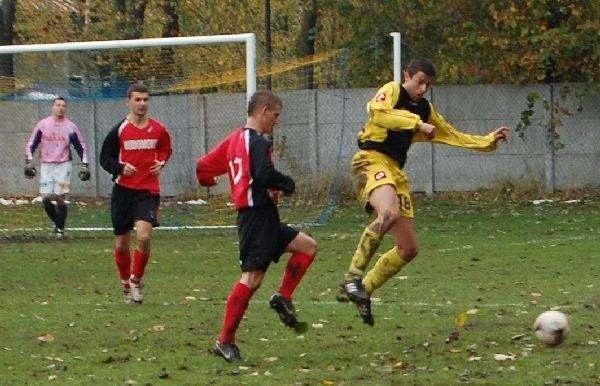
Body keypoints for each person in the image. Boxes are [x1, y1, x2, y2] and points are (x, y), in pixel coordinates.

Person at [340, 58, 510, 325]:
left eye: (427, 85)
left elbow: (452, 134)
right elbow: (377, 112)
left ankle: (363, 290)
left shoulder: (425, 108)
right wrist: (417, 124)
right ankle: (351, 277)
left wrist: (488, 140)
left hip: (395, 171)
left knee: (408, 249)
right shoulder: (393, 90)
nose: (422, 89)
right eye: (419, 82)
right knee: (388, 212)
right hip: (370, 159)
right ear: (407, 75)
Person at [196, 90, 318, 362]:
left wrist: (209, 182)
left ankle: (283, 297)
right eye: (275, 115)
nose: (277, 121)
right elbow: (263, 174)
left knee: (308, 247)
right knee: (251, 279)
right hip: (256, 218)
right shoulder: (258, 142)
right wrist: (285, 183)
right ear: (263, 111)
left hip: (264, 217)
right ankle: (224, 342)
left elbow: (203, 167)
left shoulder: (233, 139)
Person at [99, 83, 172, 305]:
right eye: (137, 100)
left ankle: (136, 279)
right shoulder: (119, 130)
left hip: (148, 191)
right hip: (123, 191)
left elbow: (166, 149)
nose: (142, 104)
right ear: (128, 101)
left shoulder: (158, 129)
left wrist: (161, 162)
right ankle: (125, 285)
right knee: (122, 243)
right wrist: (120, 168)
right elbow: (105, 159)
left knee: (143, 236)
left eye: (145, 100)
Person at [24, 97, 90, 238]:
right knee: (46, 198)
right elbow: (31, 144)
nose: (60, 108)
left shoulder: (70, 127)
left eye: (63, 106)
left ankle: (59, 230)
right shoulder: (43, 125)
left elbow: (81, 147)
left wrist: (85, 165)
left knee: (60, 197)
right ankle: (58, 223)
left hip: (63, 165)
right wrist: (28, 161)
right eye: (58, 105)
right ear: (53, 107)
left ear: (65, 108)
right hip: (46, 165)